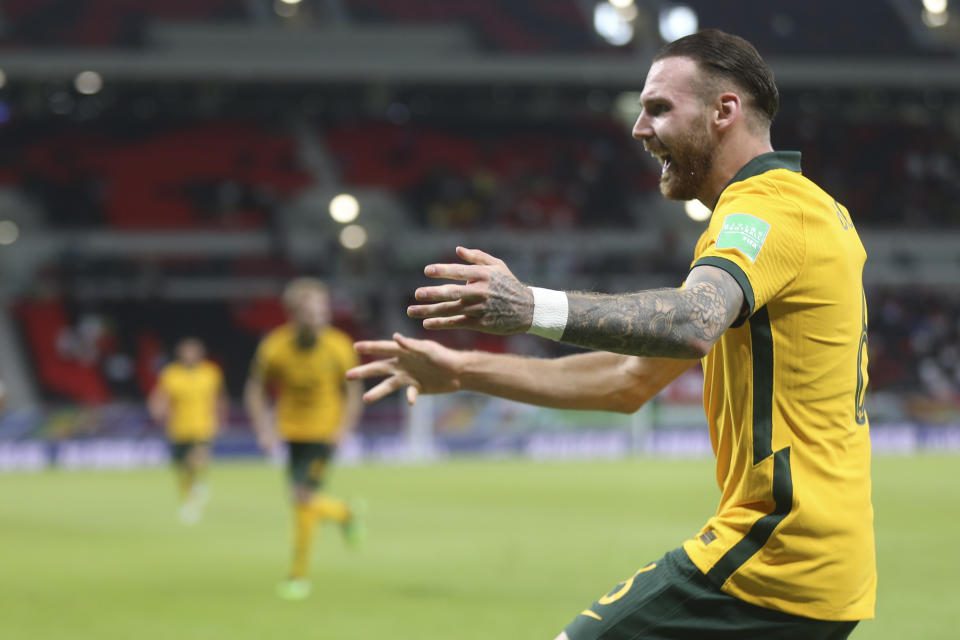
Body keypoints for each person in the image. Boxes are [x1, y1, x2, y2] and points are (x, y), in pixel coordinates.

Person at [347, 29, 874, 639]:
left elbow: (691, 321)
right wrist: (463, 371)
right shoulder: (801, 211)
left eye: (658, 109)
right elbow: (628, 381)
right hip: (824, 566)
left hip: (777, 554)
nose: (638, 129)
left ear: (724, 111)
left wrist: (529, 306)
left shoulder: (767, 209)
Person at [244, 277, 365, 600]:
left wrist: (344, 429)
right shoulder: (275, 346)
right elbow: (255, 387)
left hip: (324, 434)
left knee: (301, 499)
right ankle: (344, 513)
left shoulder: (338, 345)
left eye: (322, 309)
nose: (318, 316)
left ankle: (298, 576)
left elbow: (353, 390)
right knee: (302, 500)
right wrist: (263, 429)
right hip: (291, 433)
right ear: (293, 314)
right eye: (310, 310)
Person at [148, 337, 226, 525]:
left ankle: (198, 487)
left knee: (198, 459)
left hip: (203, 427)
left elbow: (218, 398)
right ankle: (188, 498)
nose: (190, 356)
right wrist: (157, 410)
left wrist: (220, 419)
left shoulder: (210, 372)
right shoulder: (171, 374)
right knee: (182, 469)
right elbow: (159, 397)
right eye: (186, 352)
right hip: (179, 428)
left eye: (193, 352)